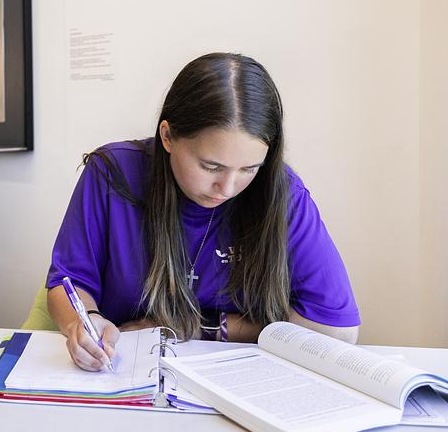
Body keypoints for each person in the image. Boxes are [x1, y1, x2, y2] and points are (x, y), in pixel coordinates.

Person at [47, 52, 360, 372]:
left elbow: (338, 330)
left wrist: (203, 327)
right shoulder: (112, 173)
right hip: (123, 373)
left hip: (241, 380)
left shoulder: (281, 193)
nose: (226, 188)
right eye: (211, 166)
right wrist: (85, 322)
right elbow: (68, 283)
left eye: (249, 169)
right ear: (167, 136)